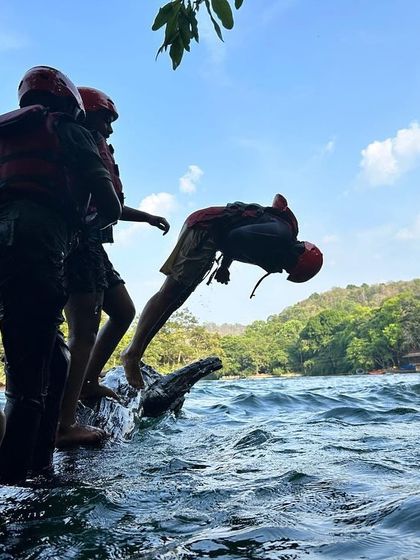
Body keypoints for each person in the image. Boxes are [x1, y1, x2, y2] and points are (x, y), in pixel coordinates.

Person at [0, 66, 121, 484]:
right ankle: (17, 488)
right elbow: (111, 206)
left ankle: (39, 466)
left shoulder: (7, 132)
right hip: (37, 251)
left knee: (52, 363)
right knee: (28, 382)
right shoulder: (68, 130)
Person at [57, 87, 170, 448]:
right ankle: (64, 423)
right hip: (75, 247)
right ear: (87, 113)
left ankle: (89, 383)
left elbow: (111, 206)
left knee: (123, 311)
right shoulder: (75, 142)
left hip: (93, 248)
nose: (110, 128)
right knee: (83, 331)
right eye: (106, 118)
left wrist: (148, 217)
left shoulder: (89, 145)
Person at [121, 194, 323, 388]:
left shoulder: (280, 236)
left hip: (210, 234)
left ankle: (136, 354)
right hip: (203, 229)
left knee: (175, 301)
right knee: (169, 294)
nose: (282, 267)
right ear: (297, 254)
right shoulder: (280, 234)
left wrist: (225, 266)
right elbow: (235, 237)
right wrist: (227, 266)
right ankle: (132, 354)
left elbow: (237, 236)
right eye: (288, 266)